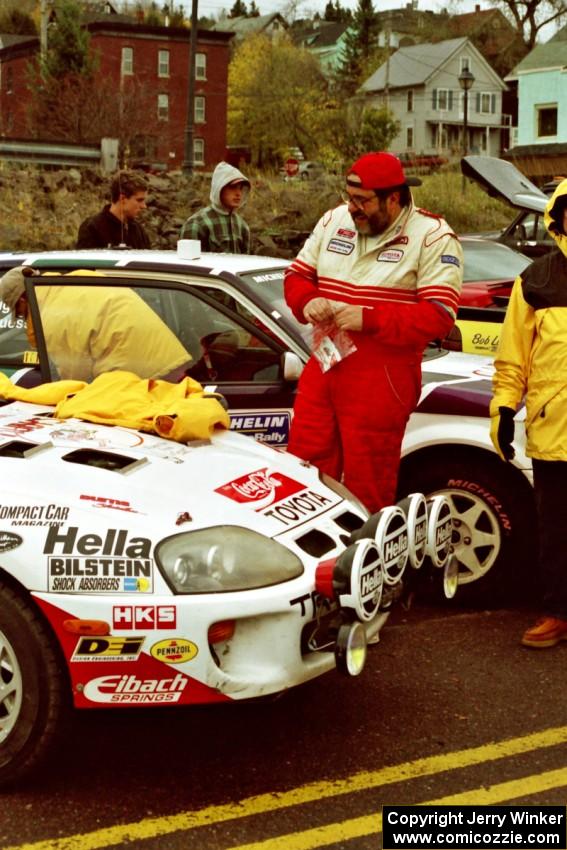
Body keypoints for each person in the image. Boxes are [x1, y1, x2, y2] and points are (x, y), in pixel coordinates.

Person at [284, 151, 463, 514]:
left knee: (370, 481)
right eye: (350, 197)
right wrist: (307, 302)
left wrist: (370, 319)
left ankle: (363, 564)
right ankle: (312, 560)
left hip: (383, 376)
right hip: (325, 360)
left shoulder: (433, 236)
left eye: (363, 200)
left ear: (393, 197)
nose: (353, 207)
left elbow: (439, 316)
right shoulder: (334, 219)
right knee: (304, 467)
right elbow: (296, 276)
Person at [490, 178, 567, 649]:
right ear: (559, 219)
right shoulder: (536, 280)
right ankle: (558, 612)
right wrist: (502, 410)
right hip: (552, 431)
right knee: (556, 531)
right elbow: (513, 356)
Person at [0, 266, 190, 383]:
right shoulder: (77, 280)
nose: (24, 319)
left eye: (20, 311)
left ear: (24, 299)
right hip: (169, 361)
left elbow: (74, 378)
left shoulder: (52, 317)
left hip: (139, 377)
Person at [180, 162, 251, 253]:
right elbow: (188, 264)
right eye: (233, 187)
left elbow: (246, 263)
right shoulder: (197, 224)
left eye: (240, 188)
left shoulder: (242, 226)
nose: (238, 193)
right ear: (219, 188)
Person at [77, 170, 151, 249]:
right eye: (139, 200)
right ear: (122, 199)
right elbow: (87, 260)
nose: (144, 206)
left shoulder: (139, 231)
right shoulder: (92, 228)